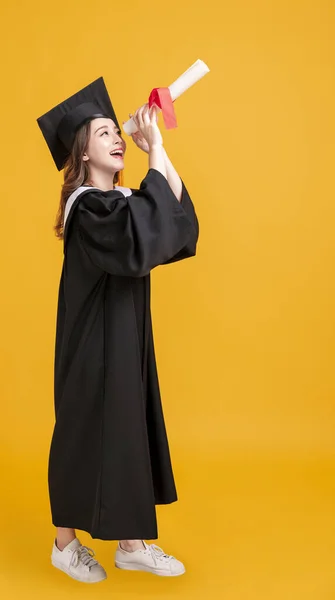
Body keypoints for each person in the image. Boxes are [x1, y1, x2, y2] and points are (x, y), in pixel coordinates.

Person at [36, 76, 199, 583]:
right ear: (82, 153)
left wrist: (159, 147)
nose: (115, 138)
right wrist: (152, 163)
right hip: (91, 346)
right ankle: (65, 545)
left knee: (127, 429)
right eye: (103, 132)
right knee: (84, 433)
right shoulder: (87, 207)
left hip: (124, 339)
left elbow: (171, 225)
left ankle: (130, 544)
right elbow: (135, 235)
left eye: (116, 131)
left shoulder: (119, 201)